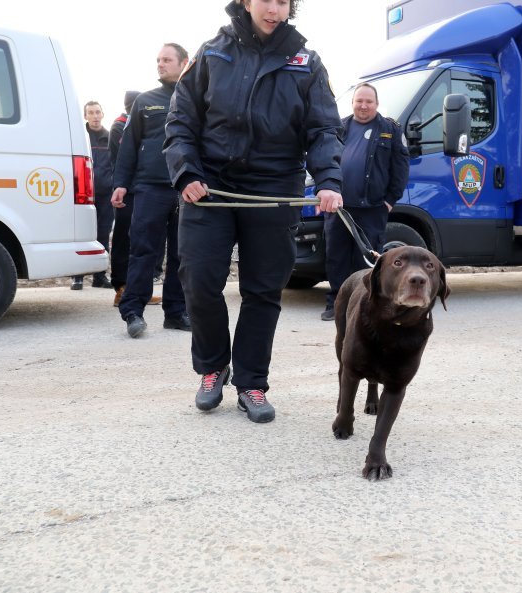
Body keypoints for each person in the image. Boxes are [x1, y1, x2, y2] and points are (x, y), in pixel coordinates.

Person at [165, 0, 343, 423]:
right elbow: (182, 120)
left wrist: (330, 182)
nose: (275, 9)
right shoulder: (212, 52)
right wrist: (185, 172)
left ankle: (251, 383)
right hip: (209, 185)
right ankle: (212, 367)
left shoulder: (307, 62)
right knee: (199, 281)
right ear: (246, 1)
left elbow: (323, 129)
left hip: (274, 187)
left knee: (263, 291)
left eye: (284, 1)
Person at [112, 43, 191, 338]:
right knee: (143, 250)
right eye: (158, 60)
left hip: (187, 190)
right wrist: (121, 183)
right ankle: (133, 311)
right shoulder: (145, 101)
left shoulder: (198, 99)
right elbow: (128, 145)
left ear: (184, 62)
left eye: (167, 59)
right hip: (149, 188)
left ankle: (176, 312)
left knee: (182, 254)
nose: (160, 64)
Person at [320, 83, 410, 321]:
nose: (363, 105)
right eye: (359, 101)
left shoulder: (390, 129)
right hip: (339, 208)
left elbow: (400, 169)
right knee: (336, 256)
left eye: (368, 101)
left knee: (366, 260)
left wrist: (390, 201)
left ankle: (363, 305)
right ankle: (336, 304)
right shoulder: (339, 127)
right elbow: (325, 158)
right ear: (353, 103)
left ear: (376, 104)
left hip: (373, 208)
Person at [108, 90, 161, 307]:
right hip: (127, 192)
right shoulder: (119, 126)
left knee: (144, 242)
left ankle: (141, 290)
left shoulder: (141, 123)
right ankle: (121, 287)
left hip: (145, 190)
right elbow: (121, 158)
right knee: (124, 240)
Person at [71, 101, 115, 290]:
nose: (95, 116)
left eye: (98, 112)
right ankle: (77, 277)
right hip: (82, 195)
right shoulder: (79, 137)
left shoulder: (110, 137)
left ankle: (100, 277)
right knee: (81, 234)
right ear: (85, 116)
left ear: (103, 114)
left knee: (103, 235)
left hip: (106, 195)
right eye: (91, 113)